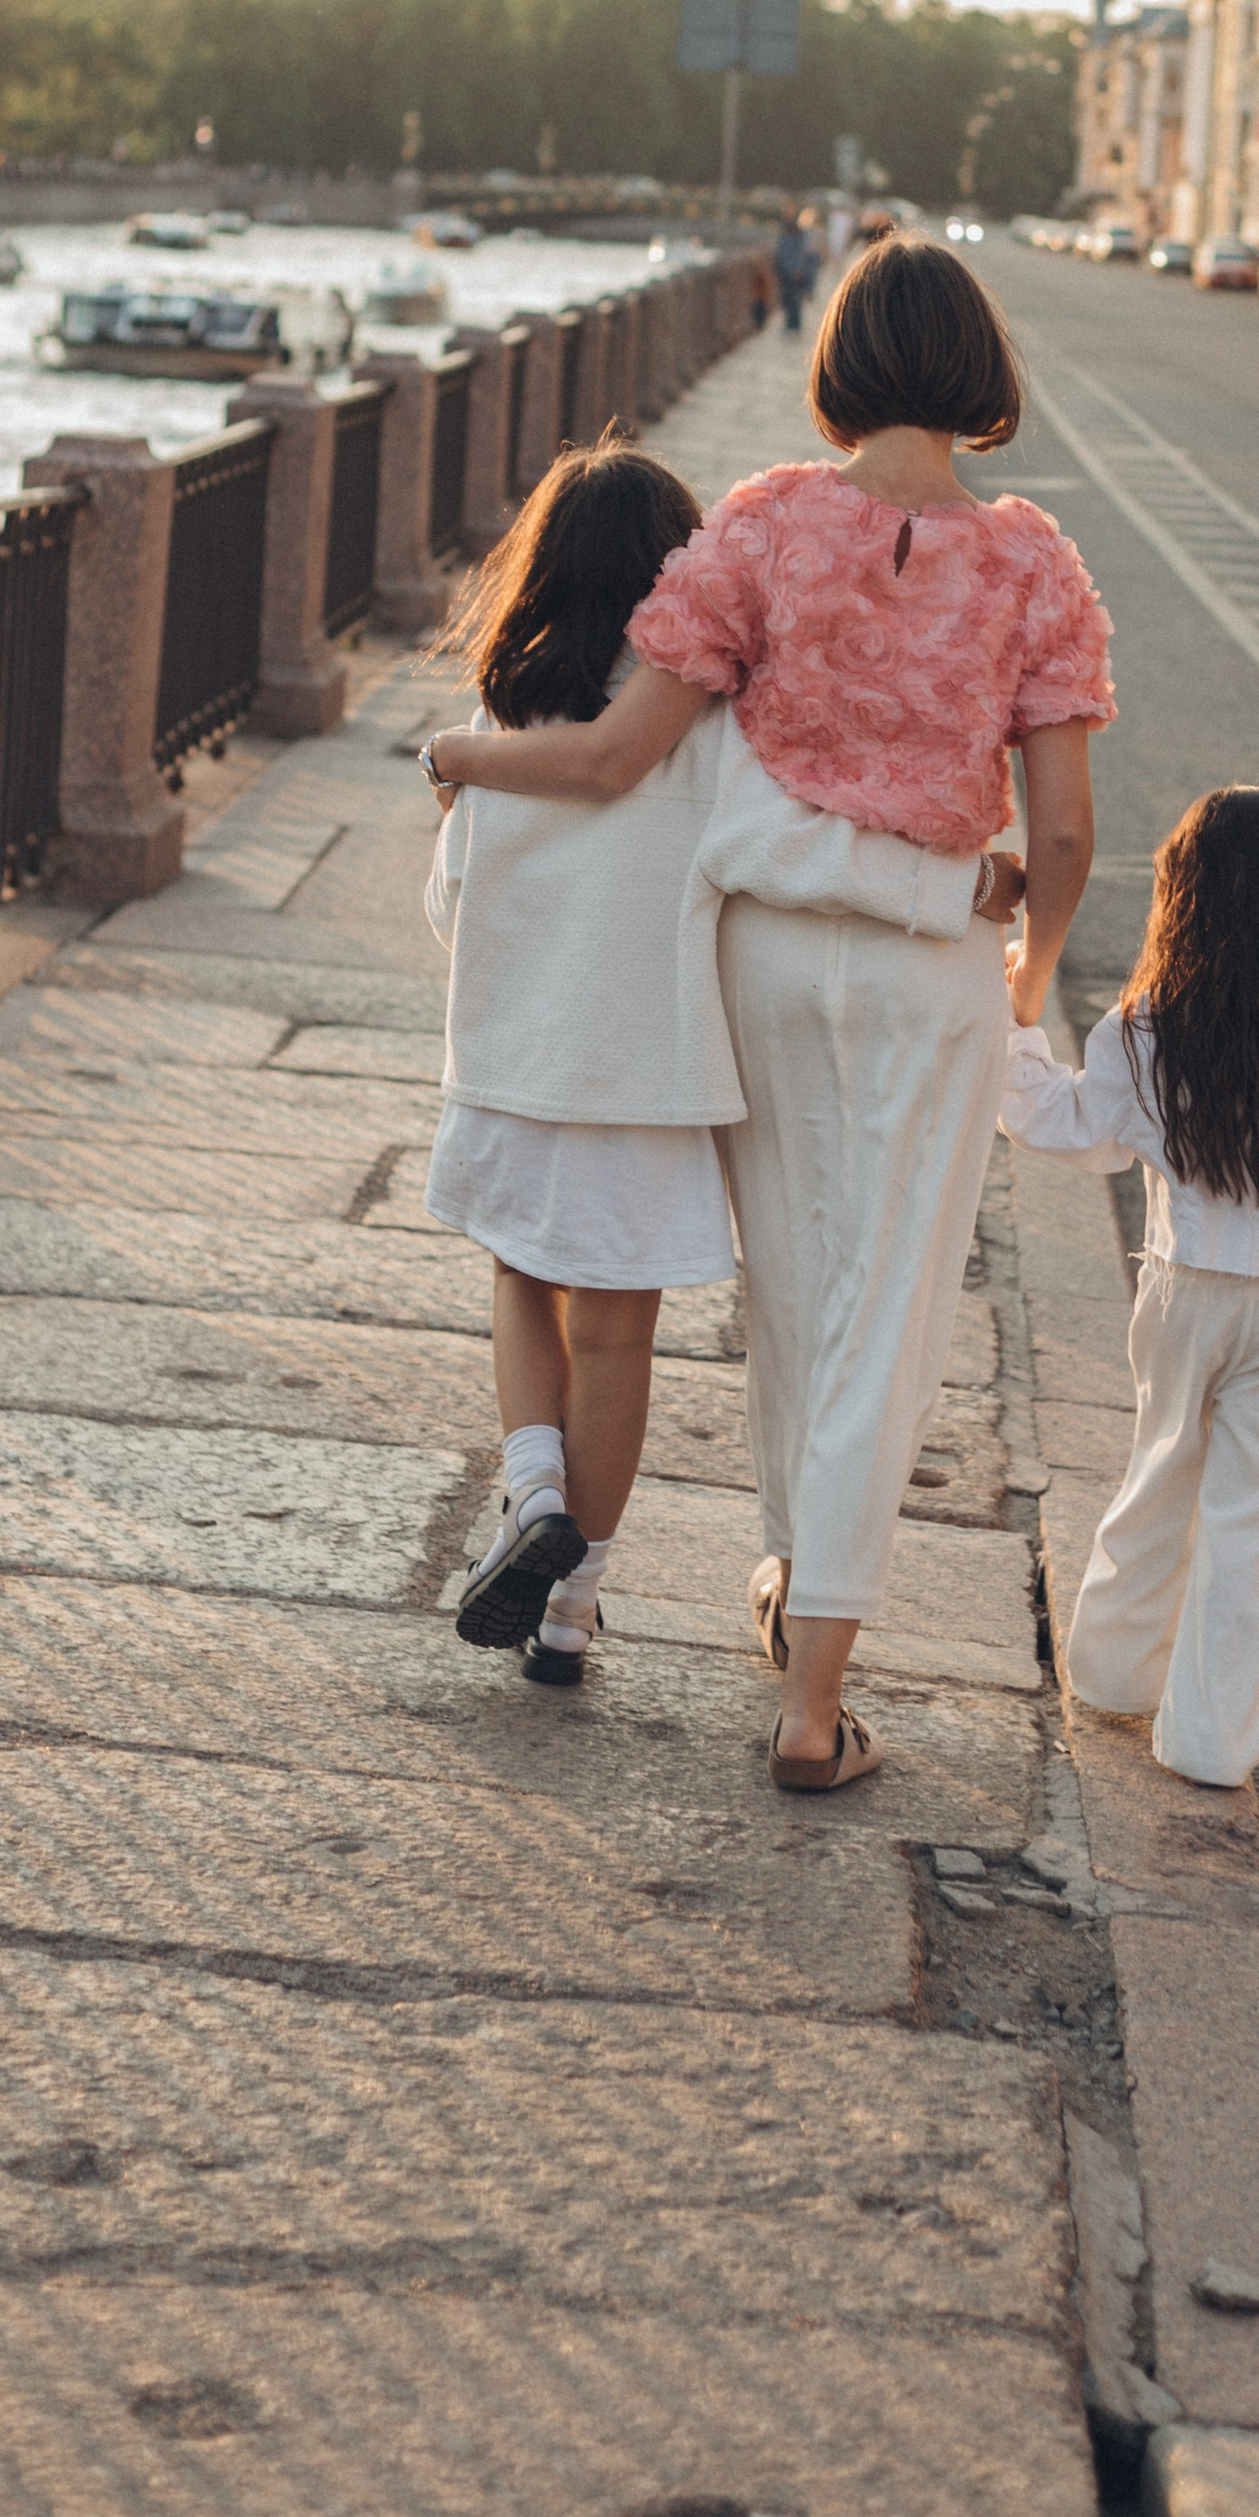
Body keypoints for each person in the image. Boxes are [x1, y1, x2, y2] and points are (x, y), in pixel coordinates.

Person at [428, 237, 1113, 1792]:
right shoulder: (1034, 564)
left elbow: (621, 755)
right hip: (931, 971)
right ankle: (812, 1700)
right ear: (983, 379)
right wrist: (1025, 967)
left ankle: (788, 1577)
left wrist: (459, 757)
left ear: (840, 361)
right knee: (890, 1319)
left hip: (769, 960)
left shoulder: (757, 525)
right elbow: (1062, 836)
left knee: (793, 1300)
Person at [422, 432, 995, 1685]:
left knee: (525, 1280)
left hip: (521, 1056)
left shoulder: (502, 713)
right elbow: (770, 855)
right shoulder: (713, 725)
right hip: (657, 1071)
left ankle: (530, 1496)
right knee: (618, 1336)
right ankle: (570, 1612)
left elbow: (450, 898)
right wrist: (963, 886)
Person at [998, 788, 1259, 1788]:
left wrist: (1016, 1023)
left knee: (1160, 1473)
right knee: (1256, 1518)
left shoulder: (1153, 1022)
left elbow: (1069, 1128)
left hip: (1182, 1293)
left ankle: (1109, 1671)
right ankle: (1210, 1741)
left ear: (1182, 900)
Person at [771, 205, 821, 337]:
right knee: (788, 300)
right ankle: (790, 326)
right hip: (786, 273)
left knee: (794, 301)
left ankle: (794, 326)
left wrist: (799, 271)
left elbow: (801, 255)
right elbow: (780, 255)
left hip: (795, 274)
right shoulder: (785, 236)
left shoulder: (798, 237)